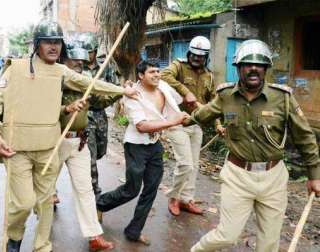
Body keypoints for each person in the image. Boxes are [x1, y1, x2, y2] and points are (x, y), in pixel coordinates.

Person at [0, 20, 138, 252]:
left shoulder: (61, 72)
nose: (54, 46)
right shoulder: (14, 68)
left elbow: (90, 83)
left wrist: (122, 90)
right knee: (24, 202)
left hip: (48, 149)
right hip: (17, 150)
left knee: (46, 203)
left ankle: (42, 246)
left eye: (57, 42)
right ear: (37, 44)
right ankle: (14, 237)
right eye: (48, 42)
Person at [188, 39, 320, 252]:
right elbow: (201, 115)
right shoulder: (225, 96)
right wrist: (175, 120)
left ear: (265, 69)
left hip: (273, 178)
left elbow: (305, 137)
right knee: (227, 236)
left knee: (268, 244)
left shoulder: (282, 98)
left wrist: (314, 175)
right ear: (239, 68)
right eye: (247, 64)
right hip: (237, 176)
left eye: (259, 65)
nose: (253, 68)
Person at [96, 60, 189, 245]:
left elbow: (178, 104)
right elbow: (141, 126)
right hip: (136, 146)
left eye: (158, 71)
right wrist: (173, 122)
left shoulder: (163, 86)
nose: (156, 75)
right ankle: (100, 204)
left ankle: (134, 230)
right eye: (151, 72)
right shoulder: (132, 95)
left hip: (155, 144)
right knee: (132, 189)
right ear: (140, 75)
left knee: (151, 189)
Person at [55, 42, 115, 251]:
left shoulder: (86, 83)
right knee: (45, 190)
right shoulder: (56, 78)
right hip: (56, 141)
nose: (80, 63)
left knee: (85, 189)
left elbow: (101, 100)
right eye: (75, 61)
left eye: (82, 61)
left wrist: (121, 91)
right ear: (64, 61)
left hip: (79, 142)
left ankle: (94, 236)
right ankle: (41, 237)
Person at [161, 36, 219, 216]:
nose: (196, 58)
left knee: (193, 165)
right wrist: (185, 92)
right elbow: (164, 75)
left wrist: (217, 123)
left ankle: (186, 199)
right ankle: (174, 197)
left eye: (201, 56)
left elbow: (214, 102)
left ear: (206, 57)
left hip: (197, 124)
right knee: (185, 163)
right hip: (177, 122)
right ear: (189, 53)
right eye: (194, 54)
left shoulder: (209, 76)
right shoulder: (179, 66)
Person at [80, 33, 121, 196]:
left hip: (100, 115)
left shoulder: (106, 68)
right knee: (90, 154)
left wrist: (105, 99)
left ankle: (87, 175)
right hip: (85, 115)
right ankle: (93, 189)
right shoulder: (78, 68)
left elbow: (117, 89)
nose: (86, 55)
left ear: (95, 51)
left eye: (89, 52)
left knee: (100, 151)